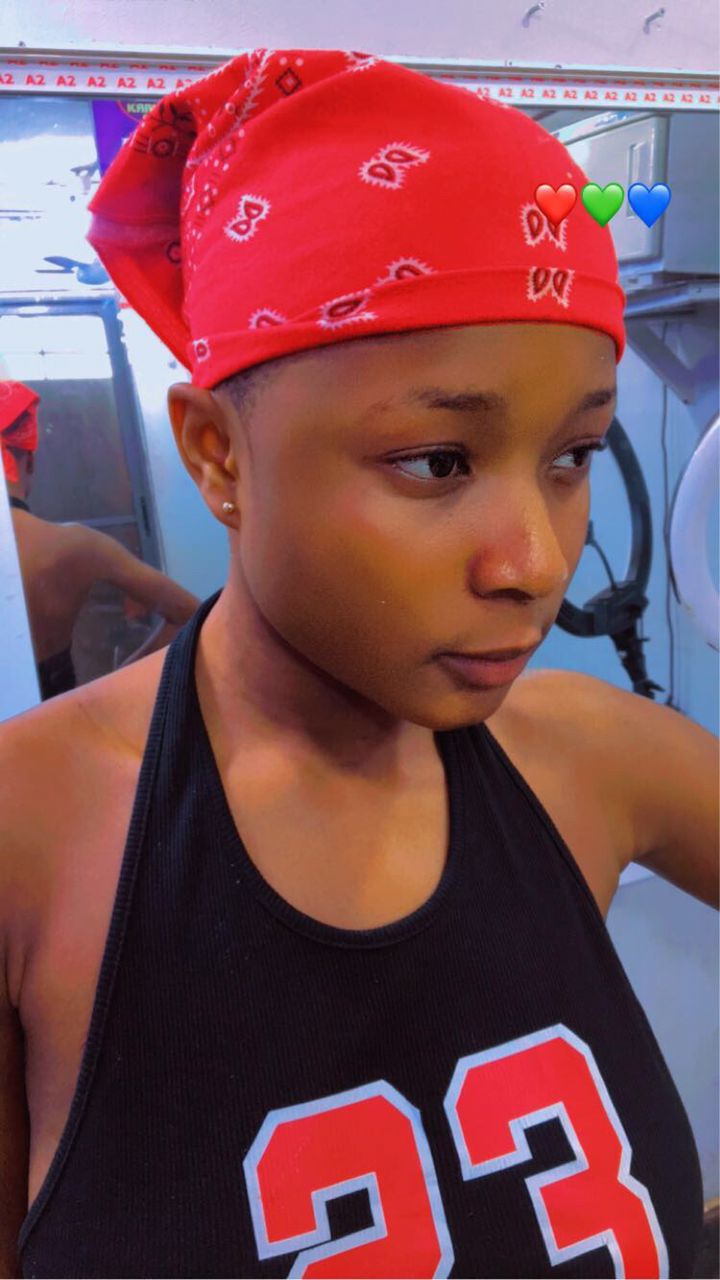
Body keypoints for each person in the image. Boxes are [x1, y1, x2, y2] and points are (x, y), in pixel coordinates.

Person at [0, 47, 717, 1279]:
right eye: (437, 462)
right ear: (218, 454)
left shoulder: (592, 761)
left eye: (573, 454)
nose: (537, 561)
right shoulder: (33, 834)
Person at [1, 380, 201, 699]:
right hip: (57, 718)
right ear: (30, 461)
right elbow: (189, 612)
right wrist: (109, 689)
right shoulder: (77, 545)